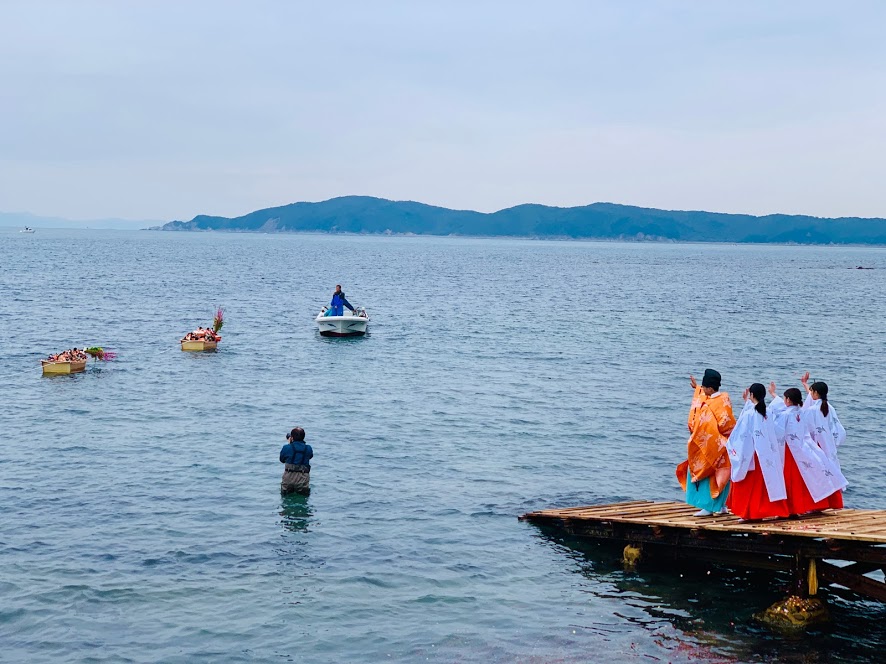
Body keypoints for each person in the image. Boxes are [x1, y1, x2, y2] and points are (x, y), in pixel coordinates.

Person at [769, 382, 846, 514]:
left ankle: (794, 507)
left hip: (796, 448)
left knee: (797, 479)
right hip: (817, 445)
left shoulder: (806, 411)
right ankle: (824, 502)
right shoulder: (825, 408)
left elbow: (777, 428)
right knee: (818, 474)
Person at [677, 369, 736, 517]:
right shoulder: (724, 399)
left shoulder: (711, 405)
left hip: (713, 444)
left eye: (703, 387)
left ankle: (709, 507)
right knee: (722, 475)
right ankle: (721, 505)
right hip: (724, 443)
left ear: (710, 388)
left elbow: (706, 425)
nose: (702, 389)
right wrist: (697, 388)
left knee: (709, 475)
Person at [726, 383, 789, 521]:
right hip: (767, 454)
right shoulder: (769, 412)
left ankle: (749, 513)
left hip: (751, 454)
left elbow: (741, 434)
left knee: (749, 486)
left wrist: (732, 447)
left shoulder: (749, 414)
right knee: (764, 486)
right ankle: (764, 511)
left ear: (752, 395)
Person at [799, 373, 847, 507]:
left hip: (817, 445)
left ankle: (818, 504)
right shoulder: (829, 407)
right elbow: (838, 429)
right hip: (828, 445)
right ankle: (835, 502)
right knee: (831, 471)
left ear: (815, 393)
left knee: (816, 474)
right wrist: (805, 384)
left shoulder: (812, 410)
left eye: (811, 391)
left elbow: (804, 428)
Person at [279, 427, 313, 495]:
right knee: (303, 499)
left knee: (285, 497)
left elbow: (282, 460)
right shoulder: (308, 448)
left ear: (292, 437)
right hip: (303, 478)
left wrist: (290, 444)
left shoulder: (286, 447)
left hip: (288, 477)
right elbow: (310, 456)